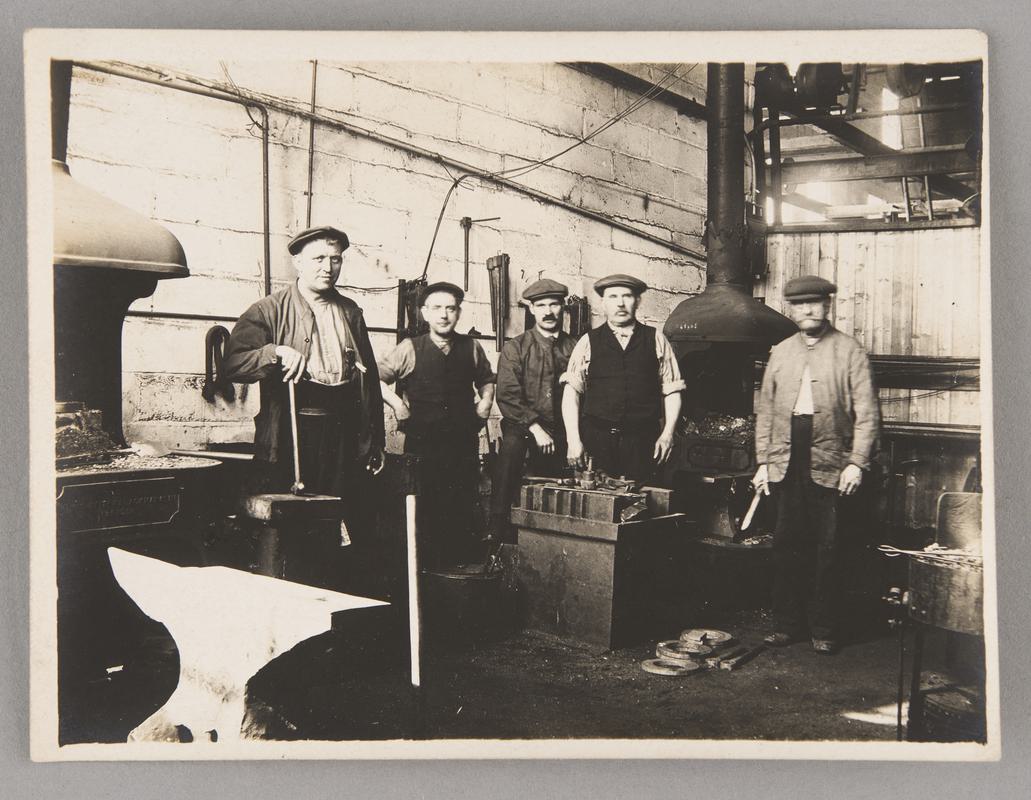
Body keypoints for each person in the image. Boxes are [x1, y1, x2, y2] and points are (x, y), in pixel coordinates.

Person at [752, 275, 879, 655]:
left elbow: (868, 414)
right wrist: (763, 461)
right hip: (785, 457)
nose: (807, 309)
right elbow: (766, 411)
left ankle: (824, 629)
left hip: (831, 460)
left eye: (814, 302)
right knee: (786, 545)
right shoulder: (781, 352)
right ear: (791, 309)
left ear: (828, 305)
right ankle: (786, 625)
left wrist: (857, 462)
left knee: (829, 547)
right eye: (800, 304)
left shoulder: (850, 351)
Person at [223, 224, 385, 500]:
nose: (328, 268)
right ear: (298, 263)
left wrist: (376, 441)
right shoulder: (268, 310)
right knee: (293, 513)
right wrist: (276, 352)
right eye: (318, 258)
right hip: (292, 434)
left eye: (335, 259)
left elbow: (369, 382)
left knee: (339, 512)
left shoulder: (351, 312)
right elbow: (232, 364)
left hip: (343, 433)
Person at [377, 282, 497, 568]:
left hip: (462, 444)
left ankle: (457, 572)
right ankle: (423, 570)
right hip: (423, 445)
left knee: (461, 505)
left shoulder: (472, 347)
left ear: (458, 313)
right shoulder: (409, 348)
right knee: (424, 506)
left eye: (450, 308)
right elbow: (376, 378)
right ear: (424, 313)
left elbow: (487, 380)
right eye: (437, 308)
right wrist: (398, 405)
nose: (444, 315)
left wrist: (485, 402)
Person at [561, 274, 684, 482]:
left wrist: (668, 434)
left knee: (644, 499)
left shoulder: (656, 339)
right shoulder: (588, 341)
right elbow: (571, 393)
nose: (620, 303)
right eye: (613, 297)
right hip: (597, 442)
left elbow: (672, 390)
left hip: (643, 443)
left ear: (638, 301)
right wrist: (573, 440)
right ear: (603, 303)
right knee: (595, 498)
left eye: (627, 296)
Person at [489, 278, 577, 541]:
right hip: (524, 428)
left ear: (563, 307)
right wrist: (535, 428)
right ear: (531, 309)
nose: (548, 311)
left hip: (563, 429)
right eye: (541, 305)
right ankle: (498, 535)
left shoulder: (576, 348)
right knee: (510, 454)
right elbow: (507, 396)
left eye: (554, 304)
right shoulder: (515, 347)